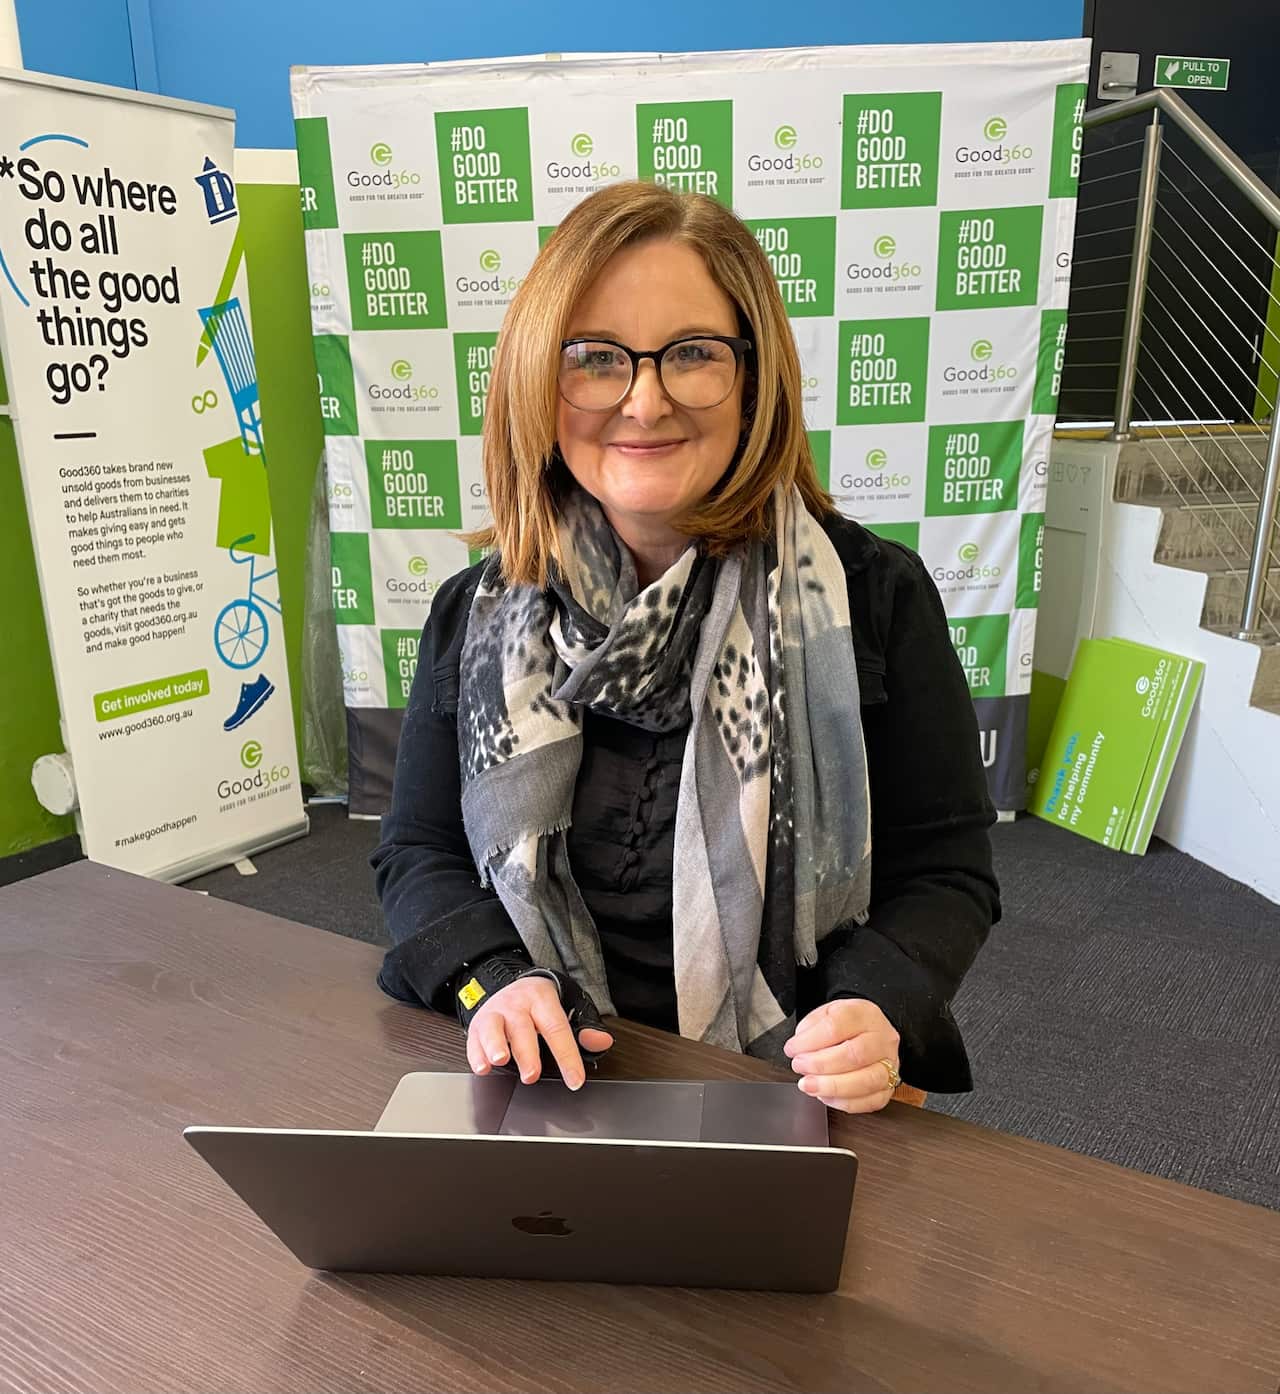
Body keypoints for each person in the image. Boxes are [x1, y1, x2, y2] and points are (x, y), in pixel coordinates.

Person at [372, 180, 1000, 1114]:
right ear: (541, 382)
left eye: (693, 354)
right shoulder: (475, 612)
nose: (644, 399)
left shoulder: (875, 598)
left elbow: (947, 872)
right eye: (594, 358)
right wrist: (490, 980)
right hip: (549, 1082)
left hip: (793, 1092)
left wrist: (879, 1004)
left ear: (754, 378)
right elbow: (417, 852)